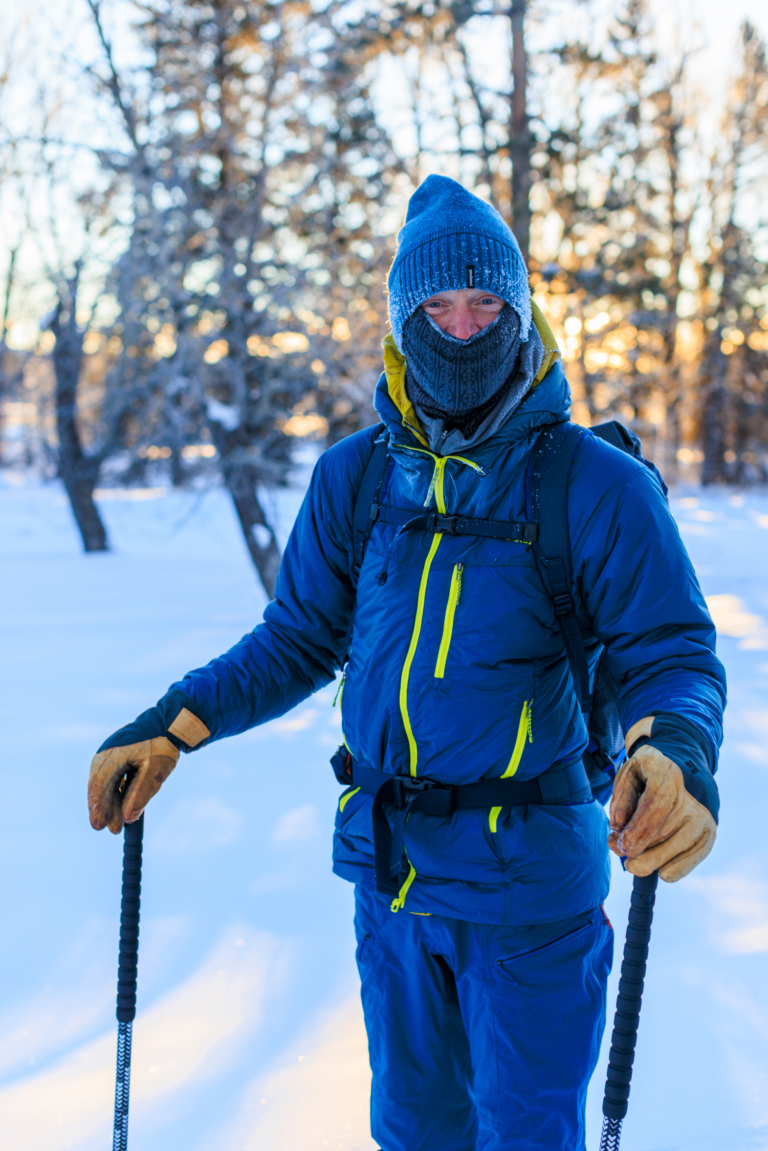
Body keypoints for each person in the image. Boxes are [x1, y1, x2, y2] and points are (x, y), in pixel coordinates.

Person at [88, 175, 726, 1151]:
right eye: (437, 306)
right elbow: (299, 636)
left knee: (526, 1137)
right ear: (402, 319)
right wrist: (176, 721)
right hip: (392, 884)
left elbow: (668, 648)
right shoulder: (354, 477)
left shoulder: (594, 484)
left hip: (531, 902)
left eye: (486, 305)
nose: (463, 330)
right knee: (415, 1131)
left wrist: (675, 749)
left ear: (523, 314)